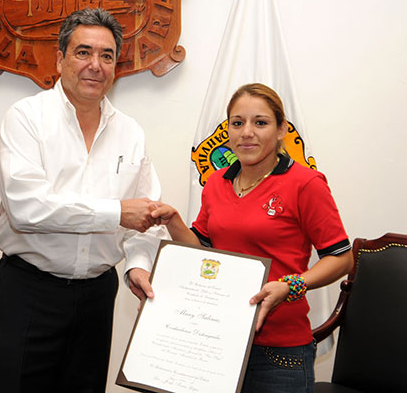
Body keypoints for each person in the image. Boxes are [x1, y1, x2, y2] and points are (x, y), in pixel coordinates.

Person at [0, 8, 165, 393]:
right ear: (60, 58)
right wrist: (118, 213)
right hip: (30, 291)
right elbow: (28, 208)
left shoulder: (130, 133)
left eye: (106, 56)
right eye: (83, 52)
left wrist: (137, 264)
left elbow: (146, 215)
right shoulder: (25, 119)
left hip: (97, 294)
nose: (95, 65)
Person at [151, 83, 354, 393]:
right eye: (237, 123)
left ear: (281, 129)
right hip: (217, 342)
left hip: (278, 351)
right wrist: (174, 221)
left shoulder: (306, 183)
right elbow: (203, 254)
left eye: (260, 122)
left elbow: (341, 257)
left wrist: (291, 285)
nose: (247, 132)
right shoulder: (218, 181)